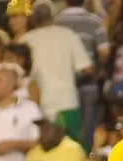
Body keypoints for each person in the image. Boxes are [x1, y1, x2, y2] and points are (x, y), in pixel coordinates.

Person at [18, 0, 93, 141]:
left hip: (38, 107)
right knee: (72, 151)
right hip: (67, 103)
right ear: (53, 16)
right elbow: (87, 69)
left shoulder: (25, 40)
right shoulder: (67, 35)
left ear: (33, 18)